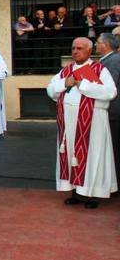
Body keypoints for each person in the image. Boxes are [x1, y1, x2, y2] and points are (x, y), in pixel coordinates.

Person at [46, 37, 118, 208]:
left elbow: (110, 92)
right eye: (73, 48)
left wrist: (82, 84)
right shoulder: (66, 71)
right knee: (71, 154)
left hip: (92, 122)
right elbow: (50, 89)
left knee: (92, 154)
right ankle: (76, 192)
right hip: (69, 123)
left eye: (79, 48)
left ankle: (92, 195)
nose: (75, 51)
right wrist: (66, 82)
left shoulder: (99, 69)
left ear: (89, 51)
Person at [96, 33, 120, 184]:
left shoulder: (114, 61)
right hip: (112, 111)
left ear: (106, 45)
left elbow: (106, 85)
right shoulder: (109, 60)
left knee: (114, 148)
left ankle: (114, 182)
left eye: (98, 42)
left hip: (113, 111)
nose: (96, 44)